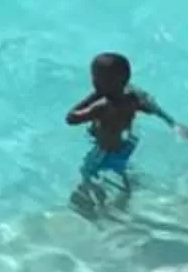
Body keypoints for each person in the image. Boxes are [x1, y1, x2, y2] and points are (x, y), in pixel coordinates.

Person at [66, 51, 167, 201]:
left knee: (87, 172)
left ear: (99, 83)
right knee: (120, 168)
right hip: (125, 146)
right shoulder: (133, 98)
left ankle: (91, 198)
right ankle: (127, 192)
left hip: (105, 151)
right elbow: (151, 108)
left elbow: (71, 118)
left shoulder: (102, 106)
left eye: (94, 78)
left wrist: (93, 95)